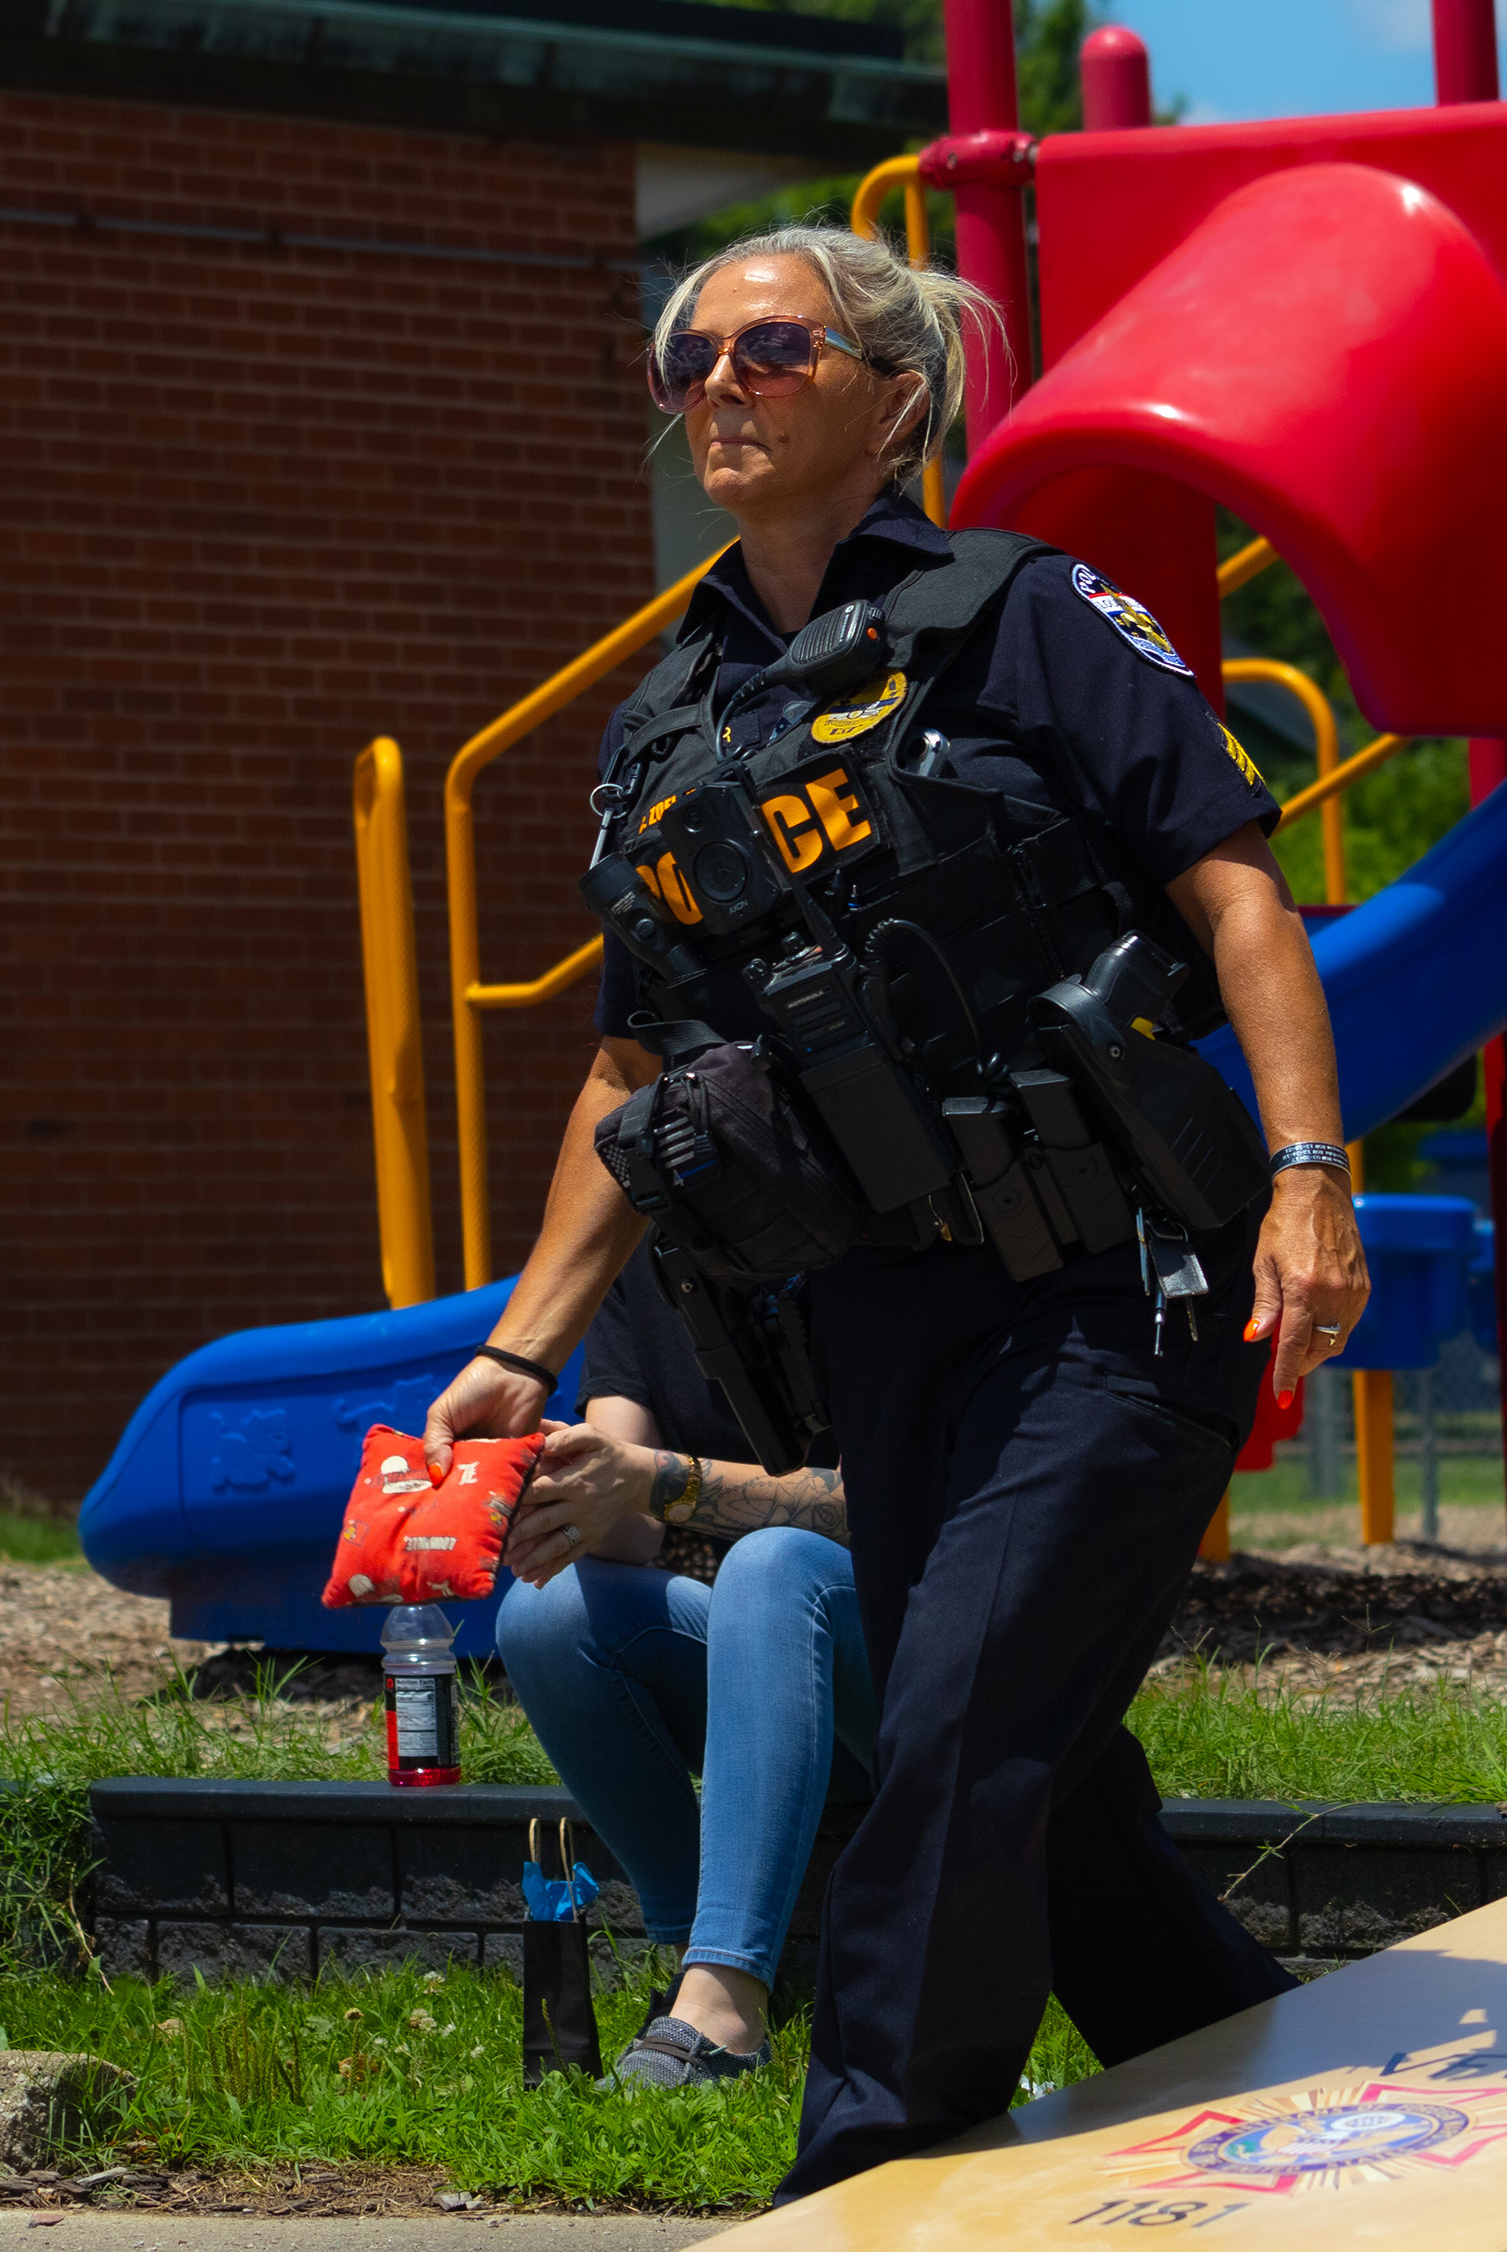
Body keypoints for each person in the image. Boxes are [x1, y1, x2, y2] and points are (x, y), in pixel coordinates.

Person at [424, 221, 1368, 2198]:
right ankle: (1296, 2113)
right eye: (688, 355)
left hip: (1121, 1286)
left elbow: (1237, 898)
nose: (716, 383)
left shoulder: (1028, 613)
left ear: (898, 396)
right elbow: (628, 1073)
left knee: (949, 1728)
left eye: (772, 347)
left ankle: (862, 2172)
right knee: (1048, 1783)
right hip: (889, 1318)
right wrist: (522, 1341)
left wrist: (1306, 1175)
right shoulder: (667, 709)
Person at [491, 1248, 873, 2090]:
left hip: (909, 1674)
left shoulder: (878, 1235)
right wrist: (551, 1484)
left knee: (775, 1564)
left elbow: (872, 1506)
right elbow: (629, 1526)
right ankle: (689, 1969)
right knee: (547, 1611)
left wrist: (654, 1478)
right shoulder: (653, 1259)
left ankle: (729, 2008)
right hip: (768, 1676)